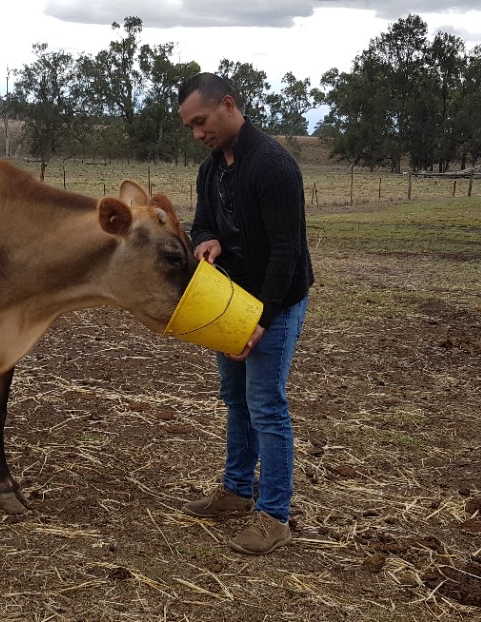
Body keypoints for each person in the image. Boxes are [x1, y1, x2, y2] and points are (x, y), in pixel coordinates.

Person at [176, 72, 313, 555]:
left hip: (272, 303)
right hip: (228, 302)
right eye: (189, 126)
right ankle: (236, 492)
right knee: (236, 398)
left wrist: (263, 321)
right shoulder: (213, 168)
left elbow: (286, 253)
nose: (197, 134)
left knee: (267, 407)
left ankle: (274, 515)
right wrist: (205, 240)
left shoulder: (273, 166)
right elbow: (202, 223)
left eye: (201, 121)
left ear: (228, 105)